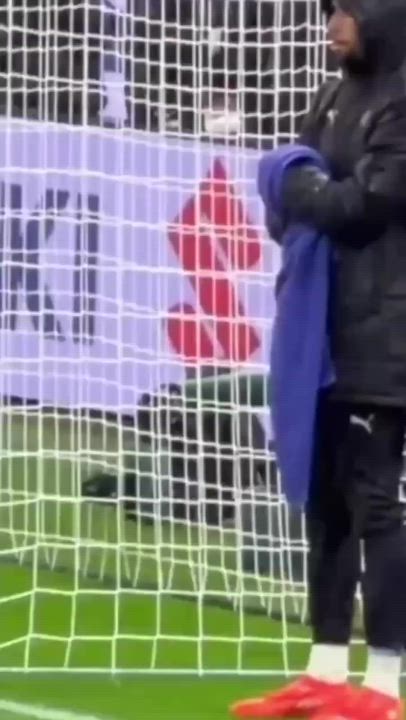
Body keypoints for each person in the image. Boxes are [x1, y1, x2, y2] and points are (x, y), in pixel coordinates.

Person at [231, 1, 406, 719]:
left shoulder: (402, 100)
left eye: (346, 11)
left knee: (375, 505)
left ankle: (385, 687)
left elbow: (364, 207)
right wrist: (303, 190)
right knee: (326, 502)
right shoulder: (333, 92)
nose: (332, 25)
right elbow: (289, 193)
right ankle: (325, 673)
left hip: (385, 338)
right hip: (322, 334)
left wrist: (302, 187)